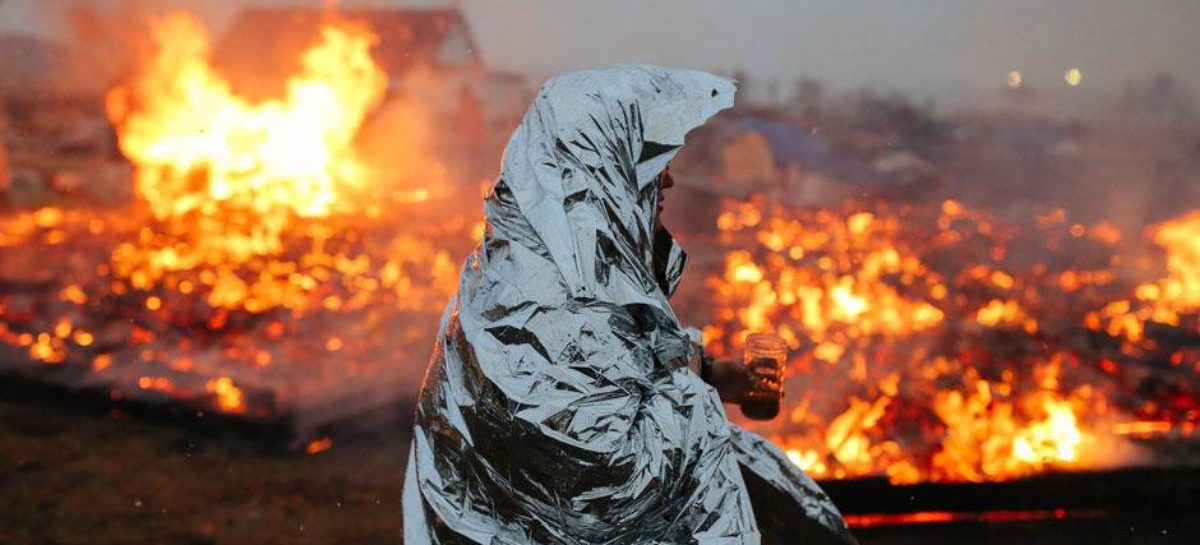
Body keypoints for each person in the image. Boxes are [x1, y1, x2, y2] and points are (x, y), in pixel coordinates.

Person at [403, 65, 855, 545]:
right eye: (651, 160)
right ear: (600, 170)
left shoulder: (559, 270)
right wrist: (692, 397)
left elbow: (613, 379)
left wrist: (710, 374)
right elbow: (611, 484)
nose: (669, 182)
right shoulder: (551, 300)